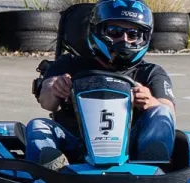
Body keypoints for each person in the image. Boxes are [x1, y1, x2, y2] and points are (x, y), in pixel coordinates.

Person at [27, 0, 177, 170]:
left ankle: (151, 170)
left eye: (133, 34)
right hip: (75, 144)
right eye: (115, 32)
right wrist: (55, 87)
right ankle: (52, 173)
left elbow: (168, 110)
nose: (124, 40)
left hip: (131, 148)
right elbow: (47, 102)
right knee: (37, 125)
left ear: (143, 37)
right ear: (97, 31)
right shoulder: (70, 64)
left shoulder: (150, 72)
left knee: (161, 111)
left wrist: (150, 102)